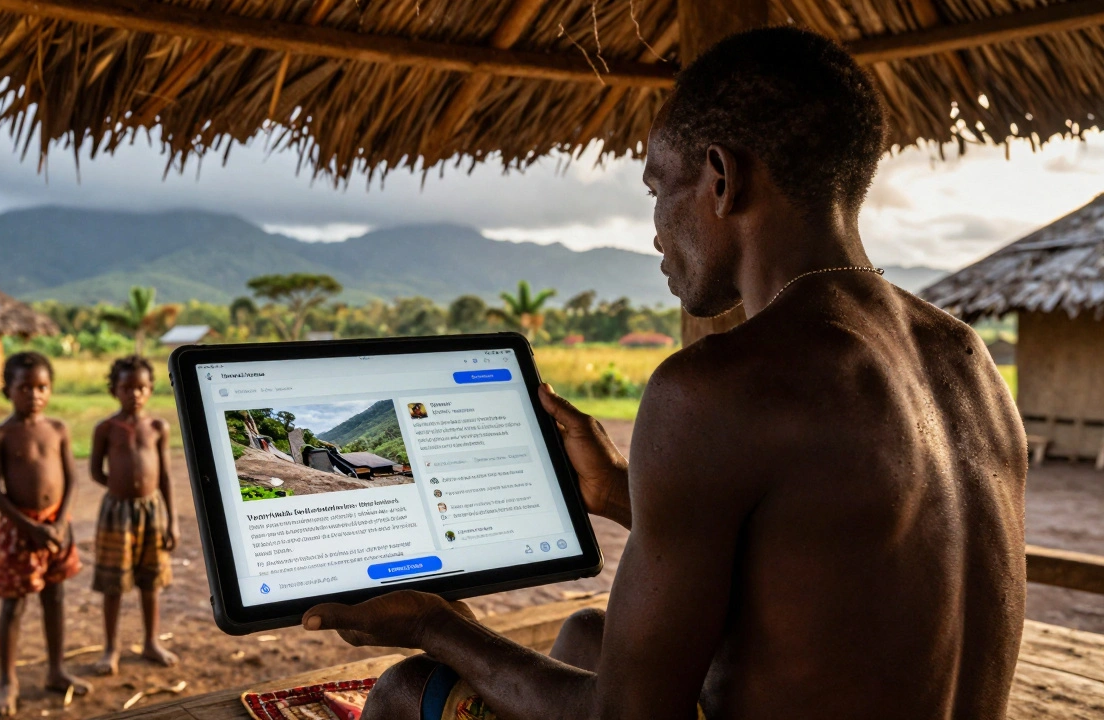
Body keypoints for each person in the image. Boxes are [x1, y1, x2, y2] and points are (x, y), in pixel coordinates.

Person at [303, 26, 1027, 720]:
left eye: (658, 189)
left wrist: (438, 627)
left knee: (407, 690)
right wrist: (619, 490)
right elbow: (826, 567)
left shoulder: (719, 385)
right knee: (589, 637)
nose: (654, 228)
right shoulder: (966, 362)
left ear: (720, 177)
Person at [0, 352, 91, 715]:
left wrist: (59, 523)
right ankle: (6, 682)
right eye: (24, 387)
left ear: (51, 389)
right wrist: (28, 526)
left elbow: (72, 479)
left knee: (55, 598)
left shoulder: (58, 429)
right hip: (20, 529)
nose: (34, 394)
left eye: (42, 386)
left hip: (57, 526)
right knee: (13, 607)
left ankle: (56, 669)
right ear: (6, 390)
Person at [89, 355, 179, 675]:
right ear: (114, 390)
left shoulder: (158, 427)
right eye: (127, 387)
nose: (134, 394)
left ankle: (151, 642)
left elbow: (166, 476)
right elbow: (95, 471)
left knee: (149, 582)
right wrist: (119, 489)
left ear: (151, 389)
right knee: (114, 584)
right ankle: (111, 648)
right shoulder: (106, 429)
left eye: (141, 387)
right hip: (117, 512)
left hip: (152, 510)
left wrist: (172, 520)